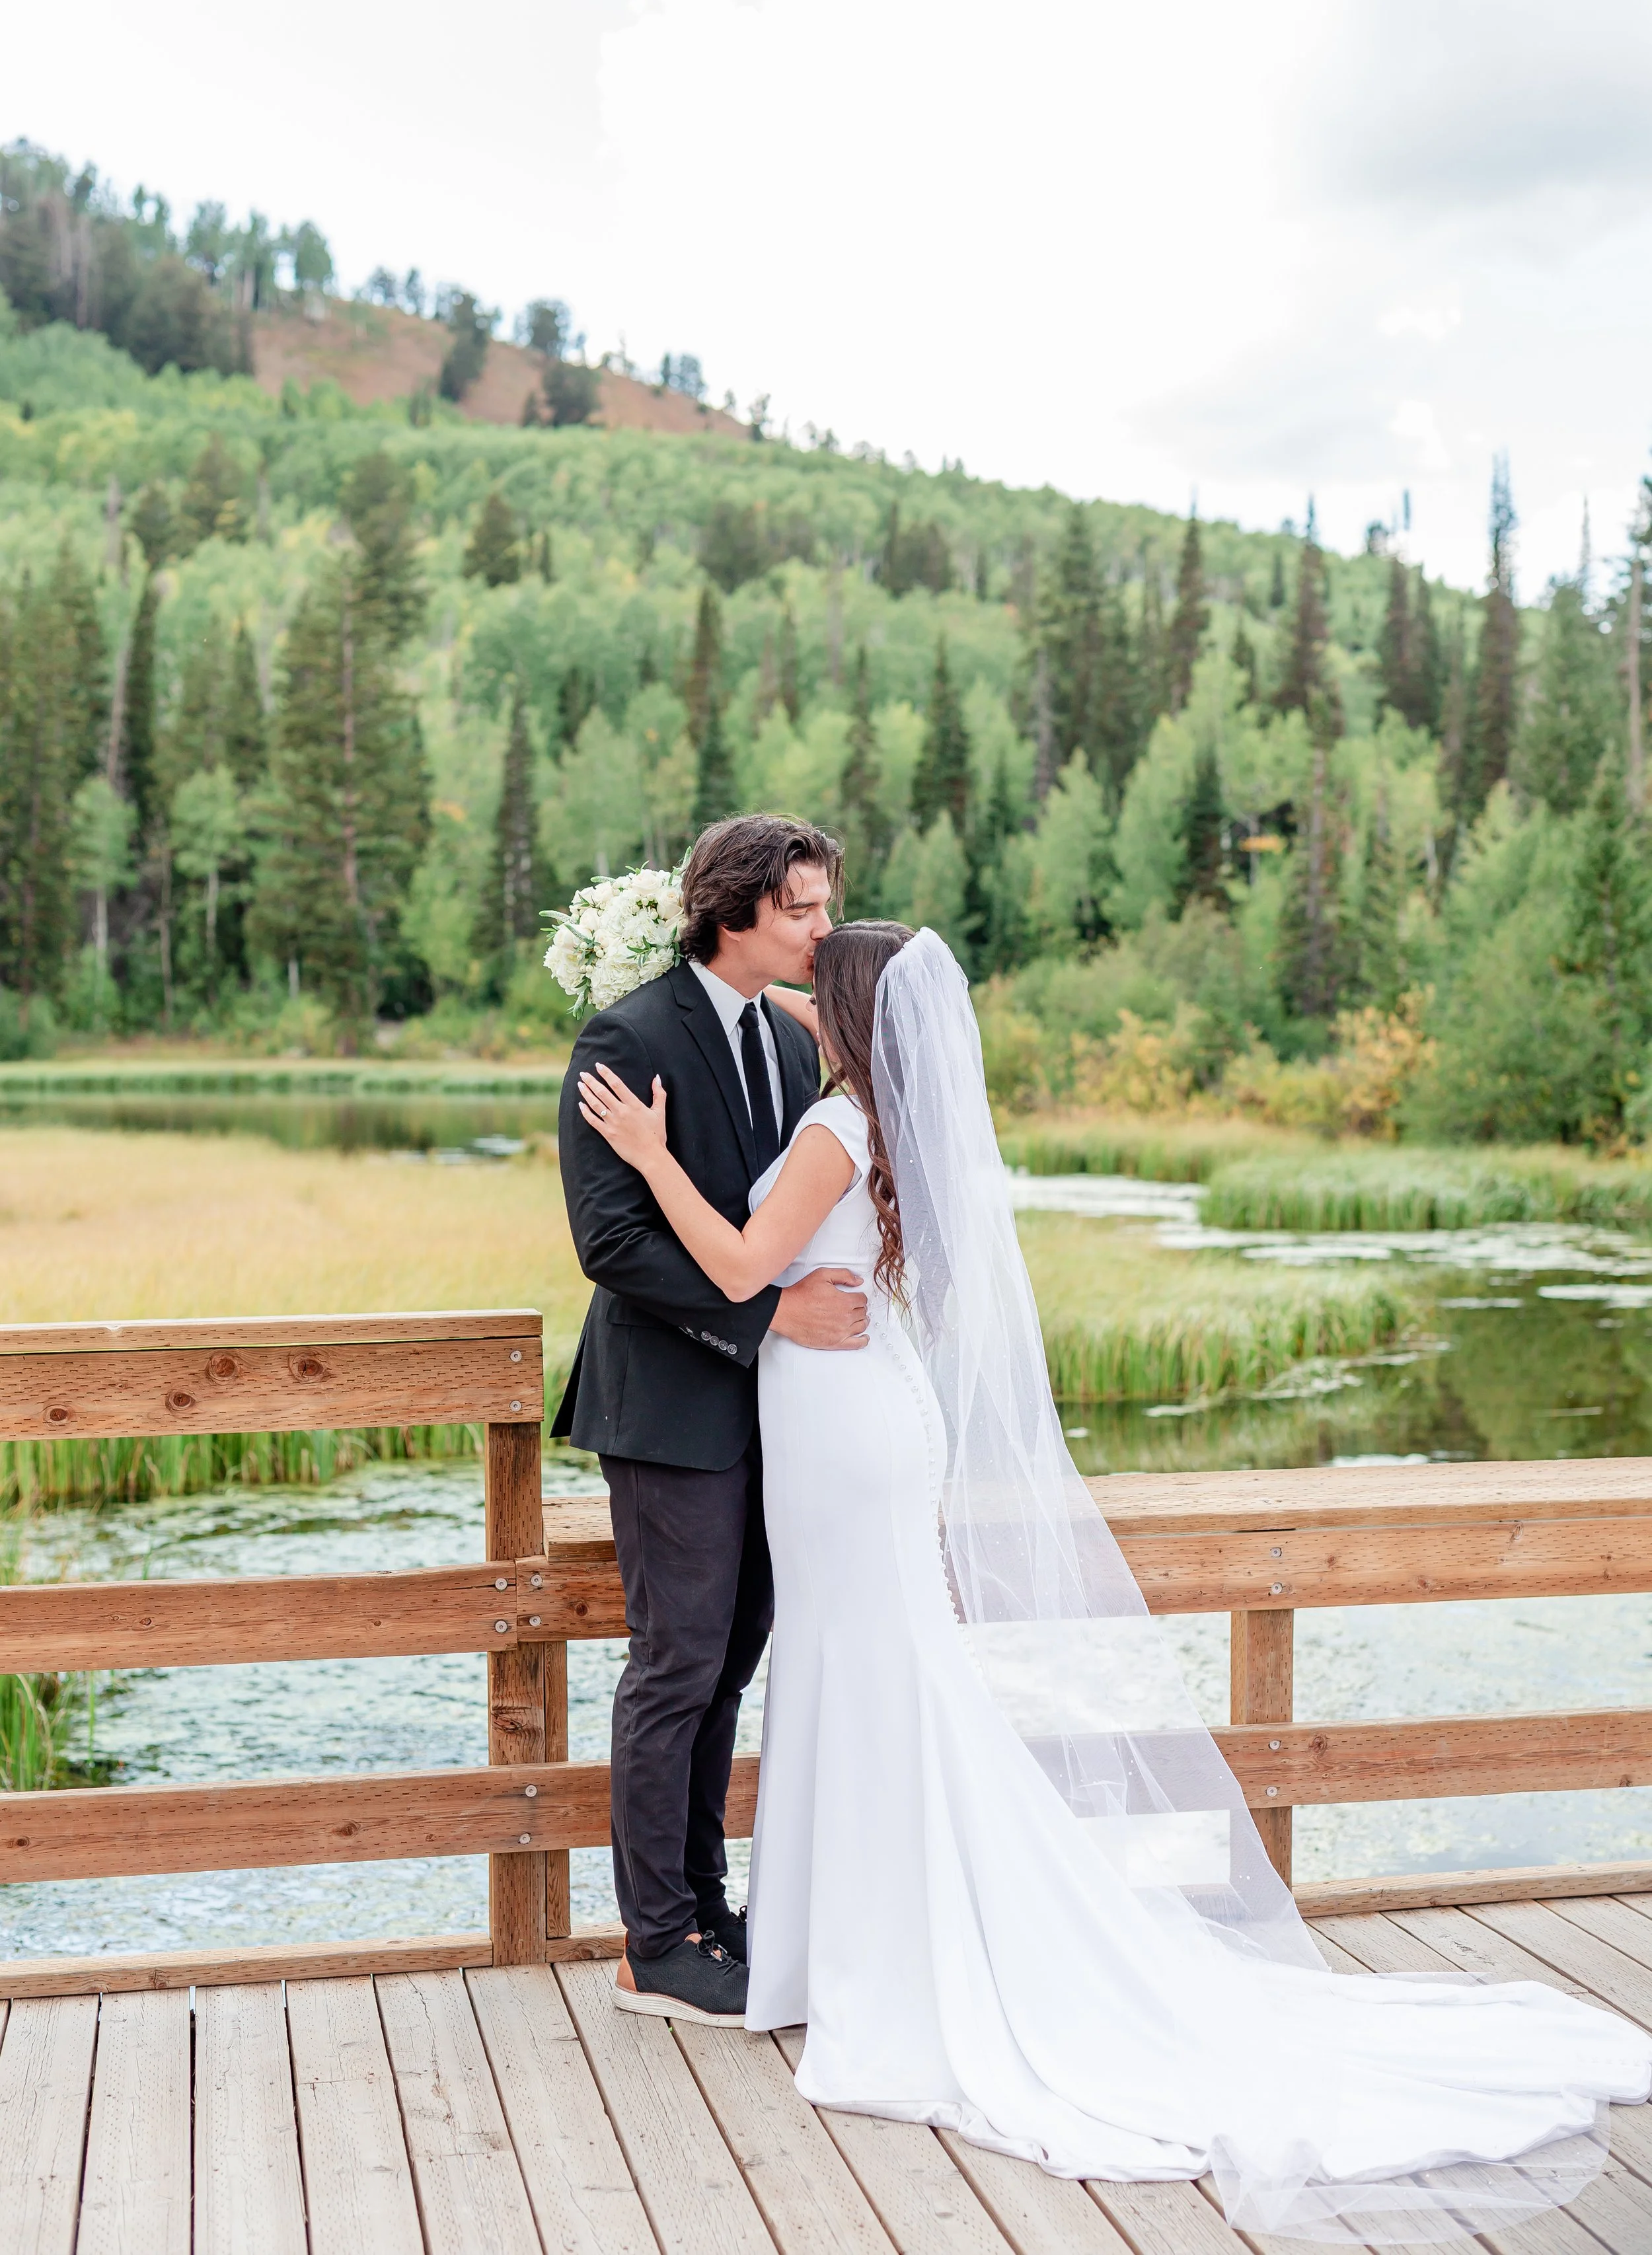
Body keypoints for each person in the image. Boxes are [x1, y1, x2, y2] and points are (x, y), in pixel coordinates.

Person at [576, 920, 1652, 2246]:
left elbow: (741, 1267)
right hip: (862, 1417)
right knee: (872, 1664)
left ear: (846, 1019)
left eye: (817, 984)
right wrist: (774, 999)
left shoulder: (831, 1134)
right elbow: (814, 1026)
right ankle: (838, 1935)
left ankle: (862, 1950)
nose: (795, 989)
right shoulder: (886, 1116)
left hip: (836, 1428)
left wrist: (645, 1155)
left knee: (862, 1665)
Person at [553, 814, 865, 2025]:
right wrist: (769, 1319)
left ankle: (706, 1907)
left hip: (771, 1422)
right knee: (675, 1664)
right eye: (803, 910)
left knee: (732, 1661)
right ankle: (653, 1941)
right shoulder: (626, 1035)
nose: (822, 930)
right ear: (734, 908)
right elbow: (611, 1241)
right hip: (671, 1406)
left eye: (828, 907)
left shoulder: (787, 1045)